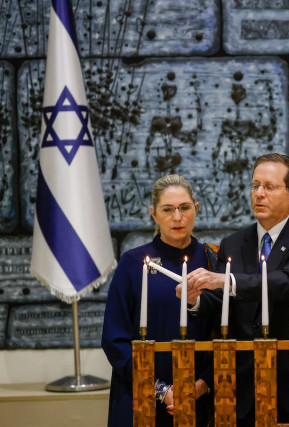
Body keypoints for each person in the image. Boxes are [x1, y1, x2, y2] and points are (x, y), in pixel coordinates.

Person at [183, 153, 289, 426]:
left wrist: (226, 281)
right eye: (255, 185)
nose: (259, 194)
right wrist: (195, 299)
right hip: (244, 384)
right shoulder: (233, 243)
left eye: (269, 187)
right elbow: (220, 301)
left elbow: (287, 283)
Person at [102, 174, 218, 427]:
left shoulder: (213, 261)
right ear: (153, 214)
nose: (177, 217)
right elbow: (114, 339)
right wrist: (161, 390)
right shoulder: (133, 262)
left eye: (184, 207)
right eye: (167, 209)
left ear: (196, 209)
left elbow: (225, 334)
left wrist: (201, 385)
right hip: (139, 395)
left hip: (200, 399)